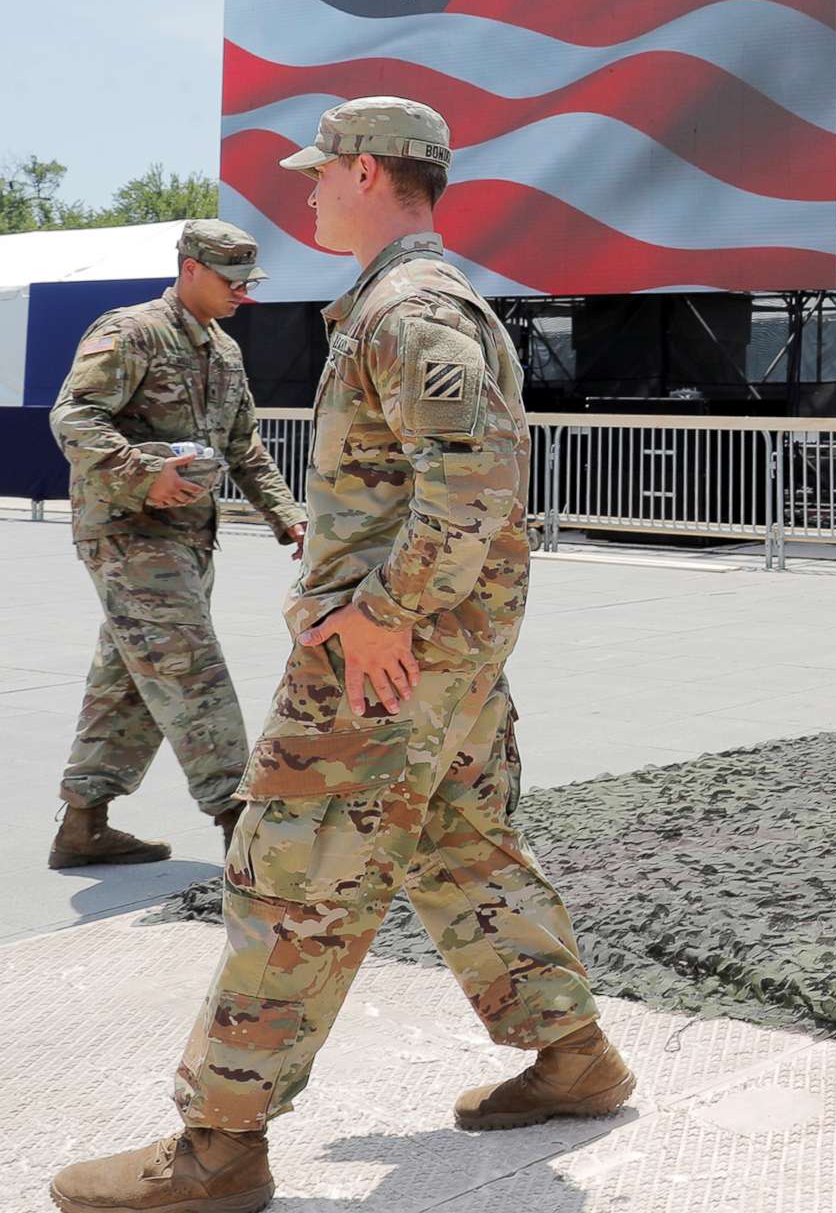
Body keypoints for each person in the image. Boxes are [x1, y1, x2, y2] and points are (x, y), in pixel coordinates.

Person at [52, 99, 631, 1213]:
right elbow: (430, 482)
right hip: (440, 657)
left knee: (291, 876)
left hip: (386, 661)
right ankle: (573, 1056)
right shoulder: (398, 304)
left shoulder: (410, 308)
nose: (307, 190)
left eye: (319, 173)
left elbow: (471, 491)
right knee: (463, 847)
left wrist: (379, 608)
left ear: (366, 174)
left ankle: (220, 1146)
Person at [46, 222, 306, 869]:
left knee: (130, 677)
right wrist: (142, 472)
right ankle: (241, 824)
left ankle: (83, 823)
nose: (243, 293)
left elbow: (243, 444)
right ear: (190, 267)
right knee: (191, 667)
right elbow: (74, 416)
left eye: (249, 280)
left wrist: (289, 516)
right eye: (231, 279)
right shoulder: (131, 331)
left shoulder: (224, 352)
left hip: (190, 539)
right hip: (128, 533)